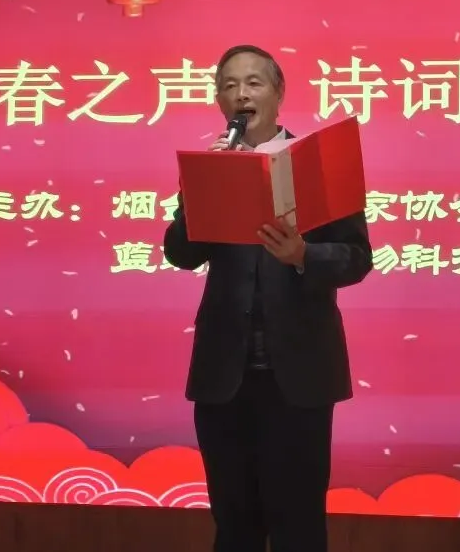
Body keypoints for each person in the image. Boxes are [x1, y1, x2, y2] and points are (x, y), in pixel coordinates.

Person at [163, 44, 373, 552]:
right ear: (218, 100)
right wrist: (203, 191)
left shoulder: (318, 164)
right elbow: (181, 254)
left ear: (278, 94)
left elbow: (357, 258)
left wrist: (303, 254)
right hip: (225, 377)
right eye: (229, 85)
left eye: (254, 83)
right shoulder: (212, 166)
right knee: (234, 524)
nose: (241, 94)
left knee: (298, 525)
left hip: (298, 377)